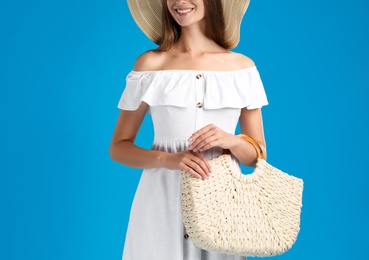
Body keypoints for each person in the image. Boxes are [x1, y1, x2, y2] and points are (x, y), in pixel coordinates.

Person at [110, 0, 268, 259]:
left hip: (220, 211)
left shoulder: (241, 68)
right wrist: (167, 159)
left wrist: (231, 140)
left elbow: (258, 156)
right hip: (159, 204)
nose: (180, 2)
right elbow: (118, 147)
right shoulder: (150, 65)